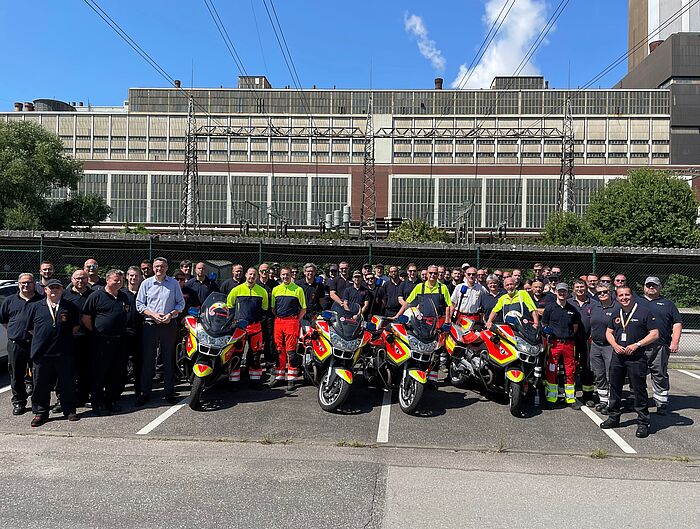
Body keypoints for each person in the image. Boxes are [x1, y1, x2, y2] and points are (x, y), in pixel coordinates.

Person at [601, 286, 659, 438]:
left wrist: (637, 345)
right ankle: (613, 417)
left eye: (627, 294)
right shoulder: (616, 312)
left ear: (632, 296)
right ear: (617, 297)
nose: (624, 297)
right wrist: (614, 345)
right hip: (618, 356)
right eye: (621, 295)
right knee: (614, 387)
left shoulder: (644, 312)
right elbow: (609, 332)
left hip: (636, 356)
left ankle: (643, 423)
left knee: (639, 390)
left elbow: (654, 334)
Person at [25, 279, 80, 426]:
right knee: (40, 385)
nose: (54, 290)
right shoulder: (36, 306)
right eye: (51, 288)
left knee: (67, 383)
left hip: (64, 353)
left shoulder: (70, 306)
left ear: (62, 290)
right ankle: (40, 413)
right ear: (45, 290)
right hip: (42, 354)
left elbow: (75, 328)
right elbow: (30, 328)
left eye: (57, 287)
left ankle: (69, 410)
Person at [135, 257, 185, 406]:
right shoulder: (146, 283)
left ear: (167, 267)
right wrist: (153, 315)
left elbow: (181, 303)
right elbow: (139, 304)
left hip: (169, 324)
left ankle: (169, 392)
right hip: (151, 324)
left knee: (168, 359)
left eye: (162, 266)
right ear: (153, 268)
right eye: (157, 266)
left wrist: (171, 315)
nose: (159, 269)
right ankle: (146, 393)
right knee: (148, 360)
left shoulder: (174, 283)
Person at [81, 269, 130, 415]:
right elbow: (86, 317)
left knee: (115, 373)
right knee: (99, 373)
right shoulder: (96, 296)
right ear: (107, 280)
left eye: (121, 280)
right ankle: (97, 403)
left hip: (119, 341)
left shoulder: (123, 297)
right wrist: (97, 332)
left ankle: (111, 400)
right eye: (116, 280)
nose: (119, 282)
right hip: (101, 342)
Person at [397, 264, 453, 386]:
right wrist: (397, 316)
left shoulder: (442, 288)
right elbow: (407, 303)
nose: (432, 275)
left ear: (438, 274)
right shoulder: (419, 287)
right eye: (430, 273)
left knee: (436, 351)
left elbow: (449, 306)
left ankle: (432, 379)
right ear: (426, 274)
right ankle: (416, 372)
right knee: (418, 348)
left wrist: (447, 322)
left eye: (435, 273)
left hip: (436, 323)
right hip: (421, 323)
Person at [638, 276, 682, 415]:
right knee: (637, 374)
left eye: (654, 285)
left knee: (660, 374)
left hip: (660, 346)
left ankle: (661, 402)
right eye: (648, 285)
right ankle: (638, 400)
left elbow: (677, 323)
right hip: (638, 346)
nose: (651, 287)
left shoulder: (668, 304)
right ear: (644, 287)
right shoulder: (636, 301)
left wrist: (674, 342)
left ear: (660, 287)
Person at [0, 273, 42, 415]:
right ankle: (19, 402)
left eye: (29, 282)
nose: (26, 285)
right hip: (16, 344)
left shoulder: (41, 300)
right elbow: (4, 320)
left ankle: (38, 404)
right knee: (16, 375)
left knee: (38, 375)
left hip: (36, 344)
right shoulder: (10, 300)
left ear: (34, 284)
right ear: (19, 284)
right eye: (23, 282)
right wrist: (15, 332)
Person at [226, 268, 269, 387]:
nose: (252, 276)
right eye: (250, 274)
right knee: (236, 353)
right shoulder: (236, 290)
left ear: (257, 276)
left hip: (256, 327)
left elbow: (265, 309)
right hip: (240, 328)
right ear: (246, 275)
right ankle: (234, 381)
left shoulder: (262, 291)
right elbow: (229, 306)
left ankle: (255, 380)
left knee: (256, 354)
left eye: (254, 275)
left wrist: (260, 320)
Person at [542, 283, 581, 408]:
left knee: (570, 371)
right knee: (551, 370)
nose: (562, 293)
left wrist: (567, 335)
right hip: (554, 343)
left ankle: (570, 399)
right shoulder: (550, 307)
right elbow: (544, 323)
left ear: (567, 292)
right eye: (560, 291)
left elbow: (575, 327)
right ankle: (551, 398)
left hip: (569, 344)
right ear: (556, 292)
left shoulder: (572, 309)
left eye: (564, 291)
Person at [270, 267, 307, 390]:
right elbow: (273, 308)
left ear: (291, 275)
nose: (285, 277)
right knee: (279, 350)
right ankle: (279, 377)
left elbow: (303, 308)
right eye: (283, 274)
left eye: (287, 274)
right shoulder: (276, 289)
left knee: (291, 351)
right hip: (279, 321)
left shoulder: (298, 290)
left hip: (292, 322)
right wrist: (278, 318)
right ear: (280, 275)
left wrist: (296, 320)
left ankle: (292, 378)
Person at [62, 269, 94, 408]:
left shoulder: (94, 295)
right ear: (71, 279)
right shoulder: (64, 295)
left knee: (86, 369)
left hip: (88, 337)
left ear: (88, 279)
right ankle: (64, 398)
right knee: (67, 370)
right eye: (77, 278)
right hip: (68, 338)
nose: (80, 281)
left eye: (83, 278)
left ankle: (83, 397)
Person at [588, 281, 619, 414]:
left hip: (610, 347)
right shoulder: (595, 307)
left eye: (604, 292)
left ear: (610, 292)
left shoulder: (617, 308)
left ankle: (612, 402)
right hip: (595, 345)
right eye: (599, 292)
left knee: (610, 374)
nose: (602, 294)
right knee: (598, 374)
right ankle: (603, 400)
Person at [570, 280, 595, 405]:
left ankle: (588, 395)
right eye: (577, 287)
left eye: (582, 287)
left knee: (588, 367)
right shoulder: (568, 302)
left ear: (586, 288)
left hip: (587, 341)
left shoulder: (594, 304)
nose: (580, 289)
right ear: (573, 289)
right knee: (571, 367)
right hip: (572, 340)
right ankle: (570, 394)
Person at [121, 266, 144, 397]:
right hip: (124, 332)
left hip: (141, 331)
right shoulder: (122, 293)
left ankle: (139, 389)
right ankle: (118, 390)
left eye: (136, 276)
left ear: (140, 277)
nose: (133, 278)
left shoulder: (144, 292)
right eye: (131, 275)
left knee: (139, 361)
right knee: (122, 361)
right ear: (127, 277)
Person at [257, 262, 279, 366]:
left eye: (266, 271)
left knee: (269, 338)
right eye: (262, 271)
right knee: (256, 339)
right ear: (259, 272)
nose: (264, 273)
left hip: (270, 315)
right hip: (256, 316)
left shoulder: (274, 284)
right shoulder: (254, 283)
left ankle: (269, 361)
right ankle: (254, 361)